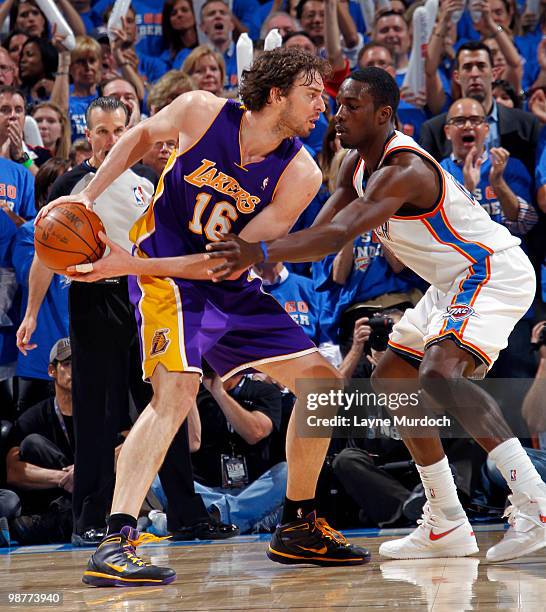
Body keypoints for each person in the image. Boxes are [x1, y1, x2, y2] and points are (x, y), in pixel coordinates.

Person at [40, 48, 370, 586]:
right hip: (167, 278)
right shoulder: (200, 110)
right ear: (277, 93)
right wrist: (89, 198)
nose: (322, 107)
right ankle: (115, 539)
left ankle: (298, 524)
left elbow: (226, 261)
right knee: (174, 394)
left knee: (322, 389)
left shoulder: (301, 173)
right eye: (313, 94)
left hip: (222, 284)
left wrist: (124, 262)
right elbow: (141, 137)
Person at [206, 67, 546, 563]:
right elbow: (321, 234)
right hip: (451, 281)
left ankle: (534, 503)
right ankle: (446, 521)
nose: (338, 115)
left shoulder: (403, 167)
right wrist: (258, 248)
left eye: (352, 107)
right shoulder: (352, 165)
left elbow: (337, 235)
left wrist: (254, 250)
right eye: (338, 105)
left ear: (385, 115)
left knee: (439, 377)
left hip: (490, 270)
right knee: (390, 379)